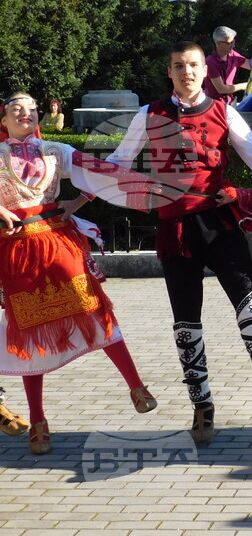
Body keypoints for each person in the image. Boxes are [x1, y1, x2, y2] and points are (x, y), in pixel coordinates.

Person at [108, 42, 252, 444]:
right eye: (178, 66)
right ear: (169, 72)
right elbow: (115, 167)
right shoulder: (148, 115)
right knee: (186, 319)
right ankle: (201, 406)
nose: (186, 72)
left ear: (204, 70)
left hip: (219, 221)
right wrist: (92, 196)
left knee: (246, 295)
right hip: (175, 228)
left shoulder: (224, 111)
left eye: (192, 65)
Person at [0, 92, 160, 454]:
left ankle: (136, 385)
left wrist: (86, 199)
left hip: (58, 239)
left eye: (31, 109)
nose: (24, 114)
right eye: (15, 110)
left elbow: (101, 173)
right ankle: (38, 420)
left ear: (39, 116)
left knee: (94, 308)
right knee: (29, 332)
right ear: (4, 120)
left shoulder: (56, 150)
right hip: (17, 251)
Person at [203, 26, 251, 104]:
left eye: (233, 41)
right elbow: (221, 89)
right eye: (229, 43)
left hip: (230, 102)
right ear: (218, 43)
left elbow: (251, 65)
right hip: (214, 105)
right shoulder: (210, 62)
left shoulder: (233, 55)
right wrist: (244, 86)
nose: (233, 45)